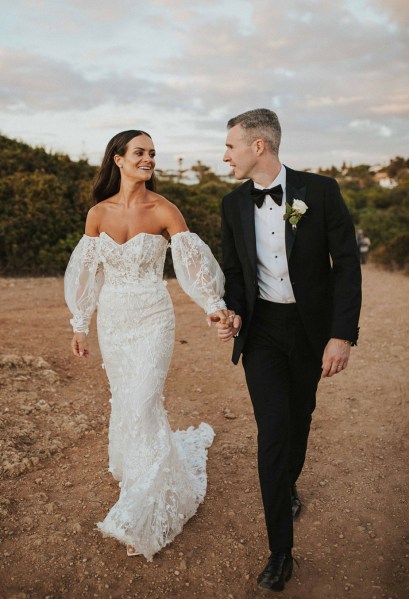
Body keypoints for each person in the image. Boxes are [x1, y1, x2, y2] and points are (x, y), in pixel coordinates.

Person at [64, 129, 233, 561]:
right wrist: (80, 323)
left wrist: (213, 304)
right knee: (126, 399)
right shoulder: (97, 214)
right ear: (118, 159)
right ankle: (136, 469)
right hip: (114, 320)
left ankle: (145, 501)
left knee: (143, 400)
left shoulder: (165, 210)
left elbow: (192, 264)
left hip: (153, 317)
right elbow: (87, 273)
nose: (149, 159)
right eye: (140, 152)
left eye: (152, 153)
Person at [215, 109, 361, 591]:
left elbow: (347, 266)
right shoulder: (232, 204)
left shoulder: (320, 192)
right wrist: (232, 312)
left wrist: (341, 334)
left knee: (300, 417)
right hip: (261, 334)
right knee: (273, 431)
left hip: (309, 329)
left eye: (231, 146)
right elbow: (236, 274)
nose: (225, 155)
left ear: (259, 146)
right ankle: (280, 550)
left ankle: (289, 482)